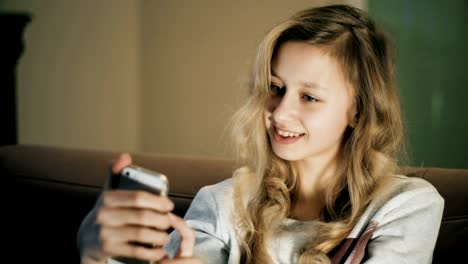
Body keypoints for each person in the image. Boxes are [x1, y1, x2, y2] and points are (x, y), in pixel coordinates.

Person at [77, 4, 444, 264]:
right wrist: (96, 255)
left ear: (359, 109)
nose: (280, 112)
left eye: (310, 96)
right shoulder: (223, 204)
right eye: (275, 87)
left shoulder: (407, 205)